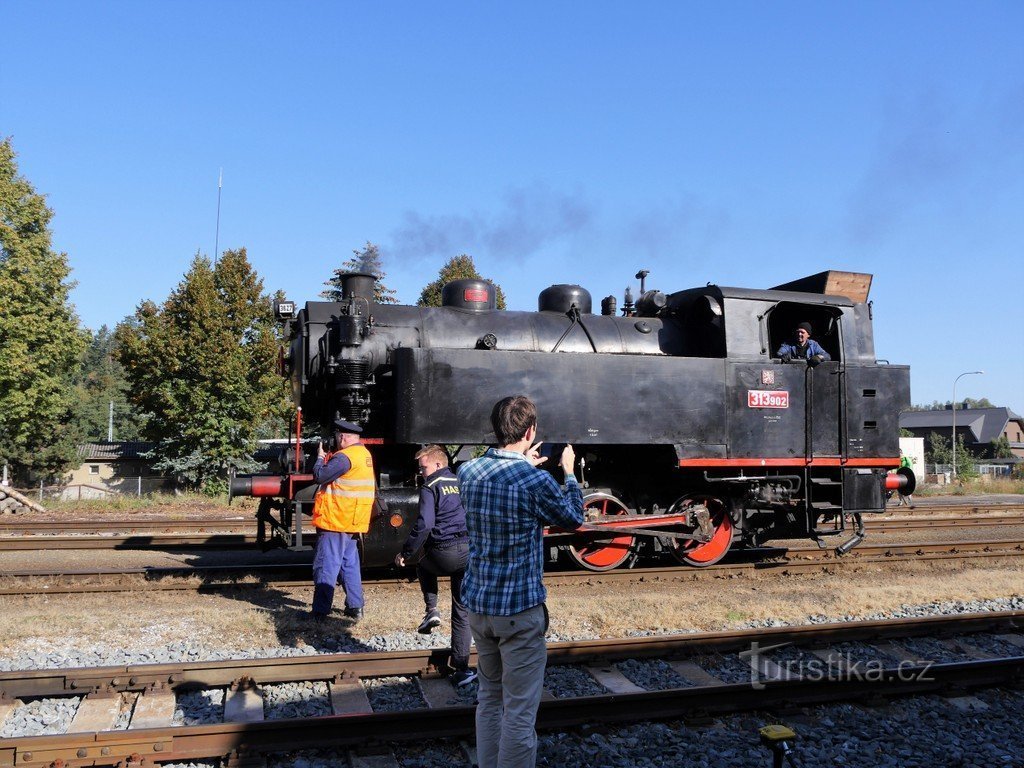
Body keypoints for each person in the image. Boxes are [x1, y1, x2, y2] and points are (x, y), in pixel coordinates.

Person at [458, 395, 585, 768]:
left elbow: (498, 478)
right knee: (519, 713)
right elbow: (573, 519)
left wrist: (522, 465)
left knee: (489, 699)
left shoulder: (468, 472)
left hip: (479, 607)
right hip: (518, 612)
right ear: (530, 431)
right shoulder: (535, 480)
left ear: (498, 429)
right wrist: (570, 472)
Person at [394, 444, 476, 687]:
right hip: (469, 550)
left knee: (423, 565)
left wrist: (406, 552)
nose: (421, 472)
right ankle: (461, 669)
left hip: (444, 552)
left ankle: (432, 610)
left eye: (424, 467)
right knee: (462, 611)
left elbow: (425, 524)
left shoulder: (431, 486)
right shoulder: (462, 482)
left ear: (438, 464)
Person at [310, 418, 375, 621]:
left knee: (326, 565)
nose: (336, 440)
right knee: (349, 564)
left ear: (344, 437)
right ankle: (355, 607)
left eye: (338, 436)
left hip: (336, 519)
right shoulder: (364, 454)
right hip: (352, 520)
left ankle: (321, 611)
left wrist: (320, 458)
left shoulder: (344, 457)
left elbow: (320, 476)